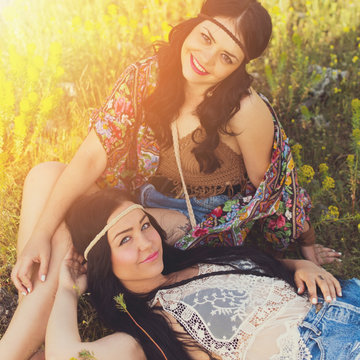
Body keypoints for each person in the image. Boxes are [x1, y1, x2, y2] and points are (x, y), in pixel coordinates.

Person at [1, 0, 340, 358]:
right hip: (143, 205)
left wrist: (302, 248)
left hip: (198, 227)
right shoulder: (147, 75)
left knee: (65, 225)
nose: (207, 60)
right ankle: (26, 324)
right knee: (45, 175)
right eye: (206, 37)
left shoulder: (243, 109)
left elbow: (273, 186)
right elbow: (89, 157)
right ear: (195, 23)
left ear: (240, 67)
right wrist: (39, 233)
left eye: (227, 57)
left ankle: (13, 347)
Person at [46, 188, 358, 360]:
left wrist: (301, 265)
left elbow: (263, 269)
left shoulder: (196, 258)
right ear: (103, 260)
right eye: (124, 239)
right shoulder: (148, 329)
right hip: (325, 349)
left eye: (144, 226)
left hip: (346, 299)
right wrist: (67, 290)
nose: (145, 242)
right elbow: (67, 357)